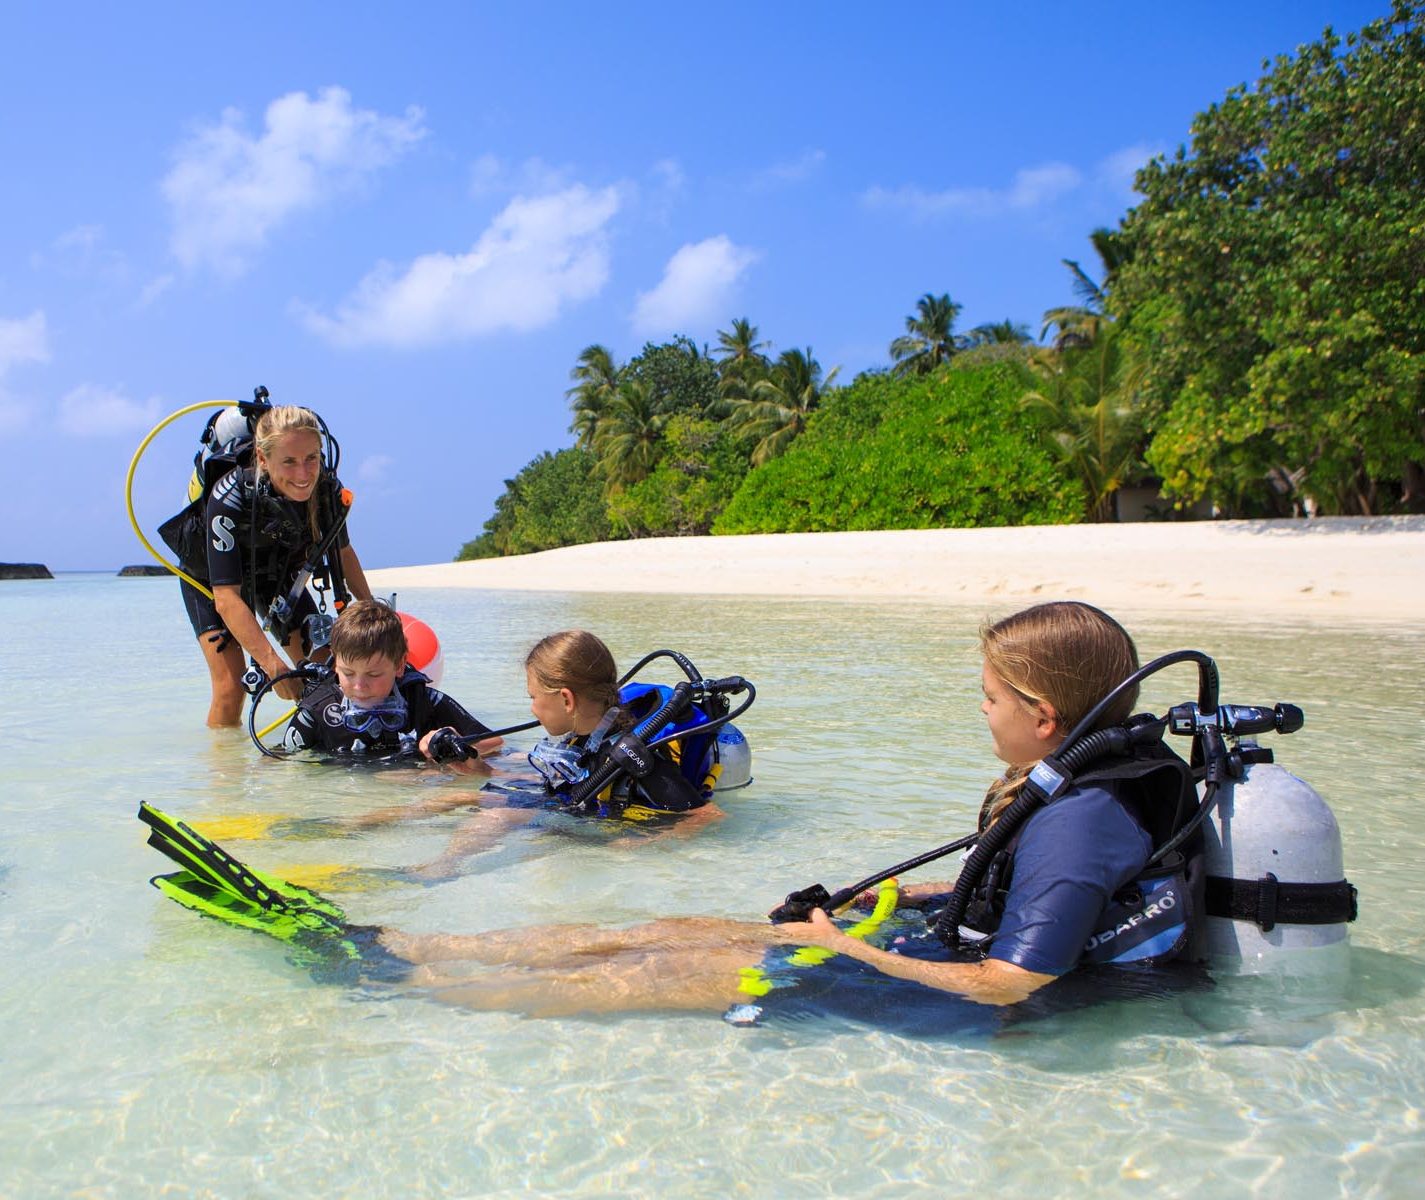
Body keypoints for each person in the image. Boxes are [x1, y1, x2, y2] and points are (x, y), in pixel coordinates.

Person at [143, 602, 1198, 1029]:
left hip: (940, 990)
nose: (981, 712)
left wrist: (846, 947)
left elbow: (1012, 982)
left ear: (1044, 716)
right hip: (910, 939)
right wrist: (877, 899)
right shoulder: (1072, 787)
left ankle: (395, 983)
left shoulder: (1080, 821)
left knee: (645, 975)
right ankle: (404, 944)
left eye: (990, 699)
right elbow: (1001, 895)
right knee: (660, 929)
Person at [353, 629, 724, 875]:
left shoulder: (632, 754)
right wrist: (478, 770)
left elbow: (705, 816)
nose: (531, 708)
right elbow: (560, 784)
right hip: (572, 808)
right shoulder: (583, 738)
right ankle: (356, 826)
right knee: (459, 796)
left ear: (566, 699)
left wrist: (641, 845)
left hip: (595, 821)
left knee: (498, 812)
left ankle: (441, 868)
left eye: (533, 697)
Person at [164, 404, 374, 727]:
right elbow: (226, 599)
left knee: (328, 670)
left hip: (276, 576)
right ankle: (225, 759)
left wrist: (374, 613)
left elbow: (343, 554)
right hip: (211, 580)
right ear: (263, 459)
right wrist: (272, 664)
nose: (303, 474)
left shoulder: (326, 490)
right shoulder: (229, 495)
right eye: (289, 461)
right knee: (231, 687)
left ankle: (322, 748)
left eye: (311, 458)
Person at [282, 600, 501, 775]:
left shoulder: (422, 701)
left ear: (399, 665)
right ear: (335, 663)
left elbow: (495, 743)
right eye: (348, 673)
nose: (359, 686)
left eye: (373, 674)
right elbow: (281, 767)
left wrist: (451, 741)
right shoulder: (317, 711)